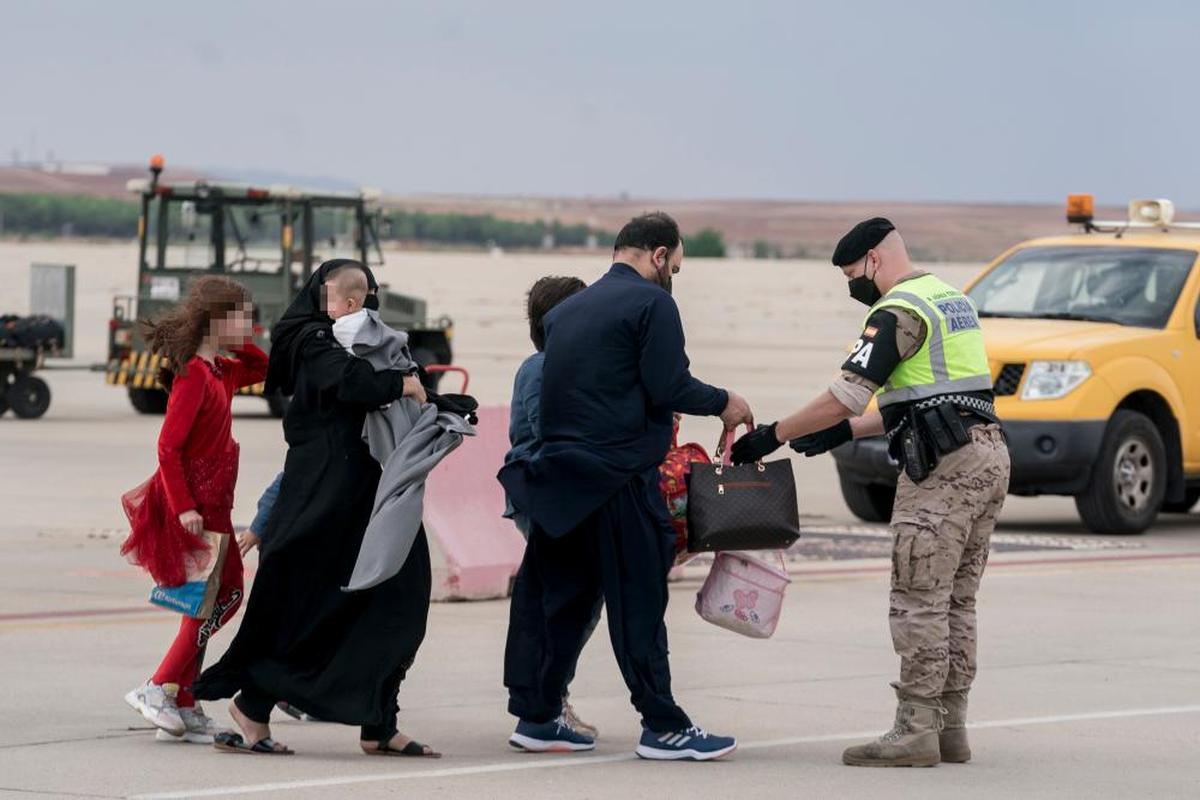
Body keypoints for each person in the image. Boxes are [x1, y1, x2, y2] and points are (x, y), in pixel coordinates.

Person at [731, 218, 1009, 767]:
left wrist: (775, 433)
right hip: (988, 457)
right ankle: (951, 728)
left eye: (852, 274)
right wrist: (845, 433)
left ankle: (915, 731)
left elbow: (846, 393)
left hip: (944, 471)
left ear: (875, 261)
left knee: (918, 597)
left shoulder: (898, 311)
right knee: (957, 600)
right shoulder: (951, 300)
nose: (852, 286)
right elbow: (935, 399)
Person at [499, 212, 754, 761]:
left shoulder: (567, 311)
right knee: (639, 601)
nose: (673, 278)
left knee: (557, 602)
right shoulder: (652, 304)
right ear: (658, 255)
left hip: (560, 481)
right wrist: (724, 402)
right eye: (675, 267)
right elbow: (668, 384)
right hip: (618, 480)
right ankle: (663, 726)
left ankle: (538, 716)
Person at [193, 259, 434, 757]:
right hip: (323, 503)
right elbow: (353, 383)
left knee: (401, 602)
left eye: (366, 294)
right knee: (309, 608)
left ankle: (379, 721)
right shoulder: (307, 340)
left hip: (371, 498)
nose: (356, 304)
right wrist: (398, 384)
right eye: (347, 292)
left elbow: (403, 371)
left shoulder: (366, 338)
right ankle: (252, 707)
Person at [120, 276, 267, 744]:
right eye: (242, 317)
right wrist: (184, 507)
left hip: (218, 502)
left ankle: (183, 697)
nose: (250, 326)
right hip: (197, 506)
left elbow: (263, 365)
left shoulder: (222, 369)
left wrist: (242, 339)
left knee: (220, 599)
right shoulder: (193, 376)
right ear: (215, 321)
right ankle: (157, 686)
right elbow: (168, 448)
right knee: (212, 601)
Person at [502, 275, 600, 740]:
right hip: (547, 496)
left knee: (581, 600)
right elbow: (551, 431)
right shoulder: (542, 367)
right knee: (563, 603)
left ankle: (551, 694)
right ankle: (547, 702)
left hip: (561, 496)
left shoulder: (562, 364)